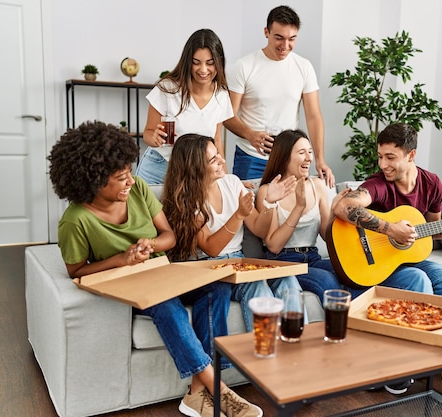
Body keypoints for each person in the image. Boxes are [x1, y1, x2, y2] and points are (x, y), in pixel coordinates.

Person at [48, 121, 261, 417]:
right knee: (165, 303)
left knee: (218, 282)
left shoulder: (139, 192)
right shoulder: (75, 221)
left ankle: (197, 392)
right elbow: (76, 271)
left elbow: (169, 236)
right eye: (121, 178)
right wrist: (123, 259)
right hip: (126, 285)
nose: (130, 182)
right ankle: (219, 390)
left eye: (129, 173)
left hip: (161, 273)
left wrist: (150, 245)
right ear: (94, 181)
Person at [331, 122, 442, 401]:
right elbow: (342, 207)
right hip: (373, 265)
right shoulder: (377, 185)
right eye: (380, 156)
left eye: (390, 157)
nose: (383, 164)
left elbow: (433, 229)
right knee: (419, 280)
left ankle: (410, 359)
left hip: (404, 260)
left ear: (411, 155)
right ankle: (428, 368)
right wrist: (388, 228)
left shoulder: (431, 183)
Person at [162, 133, 300, 331]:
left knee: (288, 279)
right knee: (257, 285)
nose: (222, 161)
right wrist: (238, 215)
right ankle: (268, 350)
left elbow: (259, 229)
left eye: (218, 154)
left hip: (239, 262)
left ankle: (296, 343)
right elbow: (212, 249)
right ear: (195, 168)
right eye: (213, 159)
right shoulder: (186, 201)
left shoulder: (232, 183)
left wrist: (270, 203)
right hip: (209, 268)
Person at [224, 5, 335, 187]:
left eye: (292, 39)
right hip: (250, 156)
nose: (285, 46)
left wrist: (320, 159)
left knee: (288, 211)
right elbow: (227, 115)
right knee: (248, 211)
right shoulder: (244, 66)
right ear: (266, 32)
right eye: (279, 38)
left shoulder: (304, 67)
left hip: (289, 159)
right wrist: (250, 134)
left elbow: (313, 116)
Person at [136, 29, 233, 185]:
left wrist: (227, 181)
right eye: (196, 62)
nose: (203, 70)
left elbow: (217, 140)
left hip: (194, 172)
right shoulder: (167, 88)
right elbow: (148, 133)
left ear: (219, 62)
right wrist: (154, 138)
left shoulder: (221, 95)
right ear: (188, 61)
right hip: (158, 167)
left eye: (210, 63)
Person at [256, 129, 341, 304]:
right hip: (283, 261)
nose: (309, 158)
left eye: (310, 152)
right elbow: (273, 246)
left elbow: (326, 235)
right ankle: (341, 327)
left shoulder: (317, 185)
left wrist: (336, 211)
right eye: (302, 153)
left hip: (313, 257)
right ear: (285, 156)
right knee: (327, 280)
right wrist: (299, 207)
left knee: (349, 272)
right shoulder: (267, 191)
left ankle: (359, 324)